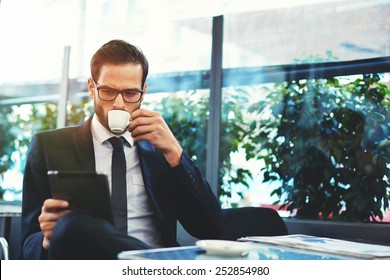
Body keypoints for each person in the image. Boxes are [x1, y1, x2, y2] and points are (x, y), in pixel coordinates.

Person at [21, 39, 223, 260]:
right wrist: (47, 239)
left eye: (130, 94)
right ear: (92, 88)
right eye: (107, 91)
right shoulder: (49, 146)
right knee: (71, 224)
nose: (118, 104)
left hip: (148, 273)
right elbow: (27, 245)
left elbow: (211, 228)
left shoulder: (160, 151)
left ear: (143, 92)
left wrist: (176, 153)